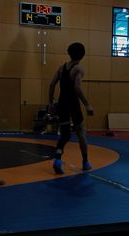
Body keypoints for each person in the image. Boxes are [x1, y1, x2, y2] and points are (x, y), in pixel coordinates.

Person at [48, 42, 94, 174]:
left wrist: (51, 103)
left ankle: (57, 159)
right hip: (73, 104)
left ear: (69, 53)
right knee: (80, 132)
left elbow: (51, 85)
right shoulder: (78, 69)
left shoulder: (61, 68)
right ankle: (85, 163)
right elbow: (77, 88)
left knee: (65, 134)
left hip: (62, 104)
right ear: (83, 55)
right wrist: (87, 104)